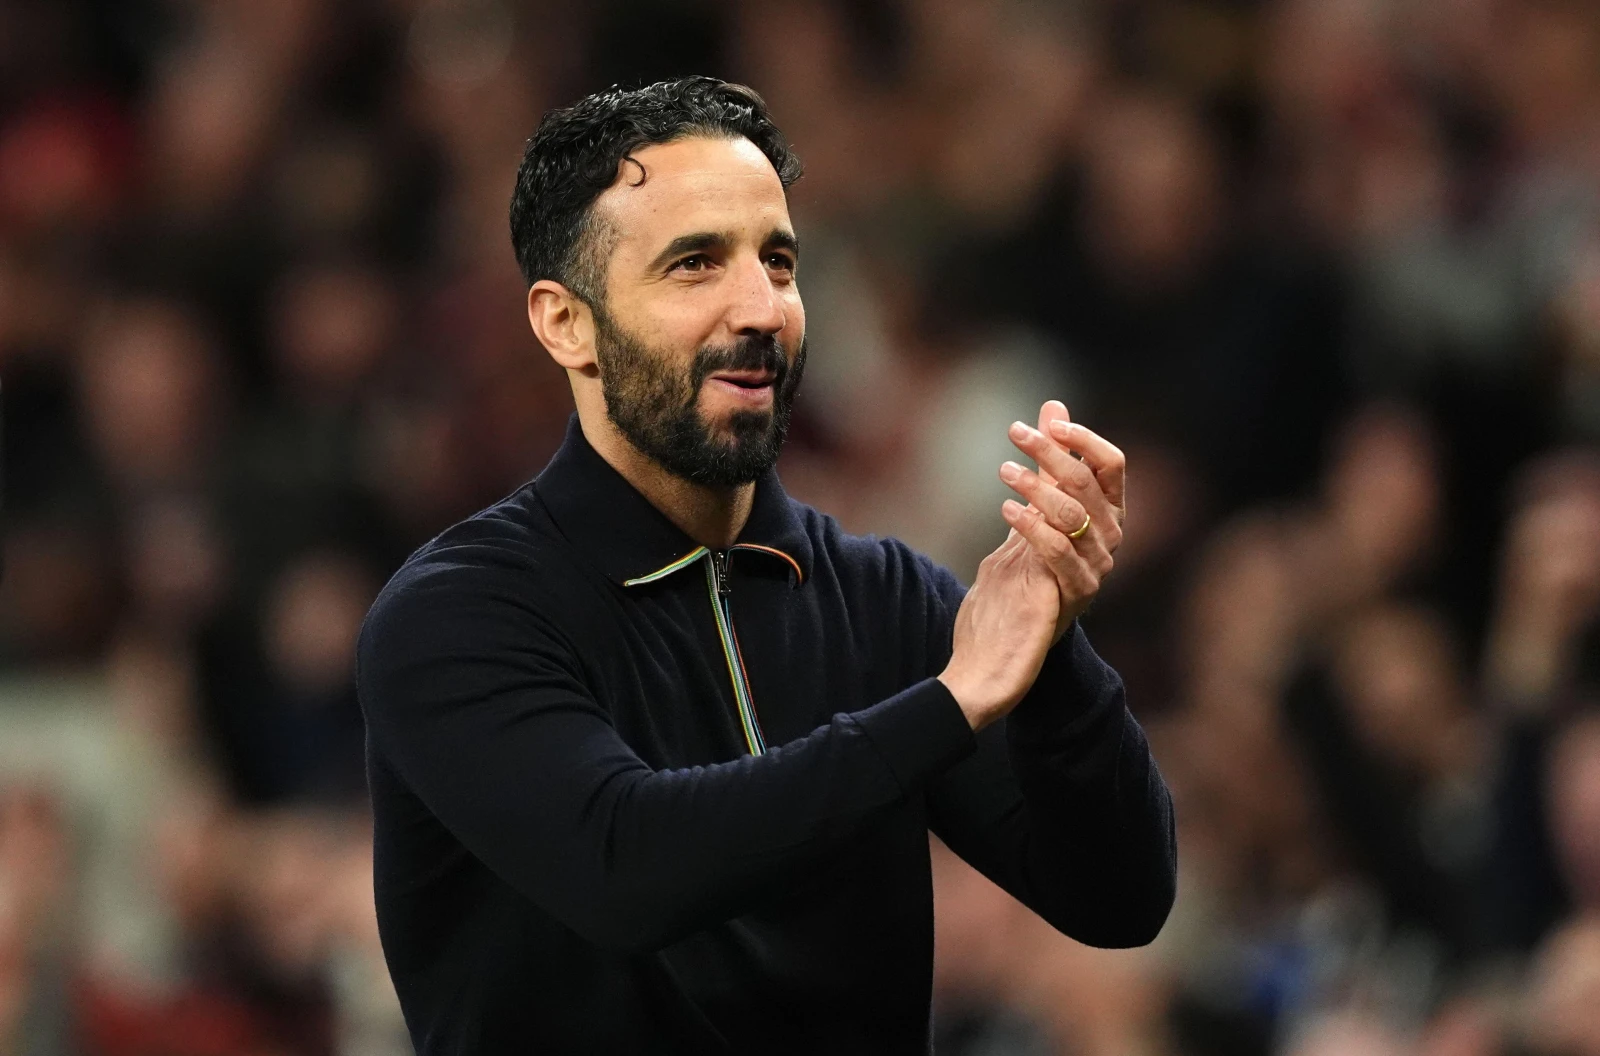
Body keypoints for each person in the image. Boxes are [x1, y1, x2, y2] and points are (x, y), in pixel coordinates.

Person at [356, 76, 1176, 1055]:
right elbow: (626, 868)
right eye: (695, 264)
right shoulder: (460, 615)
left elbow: (1119, 900)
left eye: (778, 261)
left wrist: (1053, 649)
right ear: (565, 323)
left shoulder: (883, 596)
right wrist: (947, 706)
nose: (760, 307)